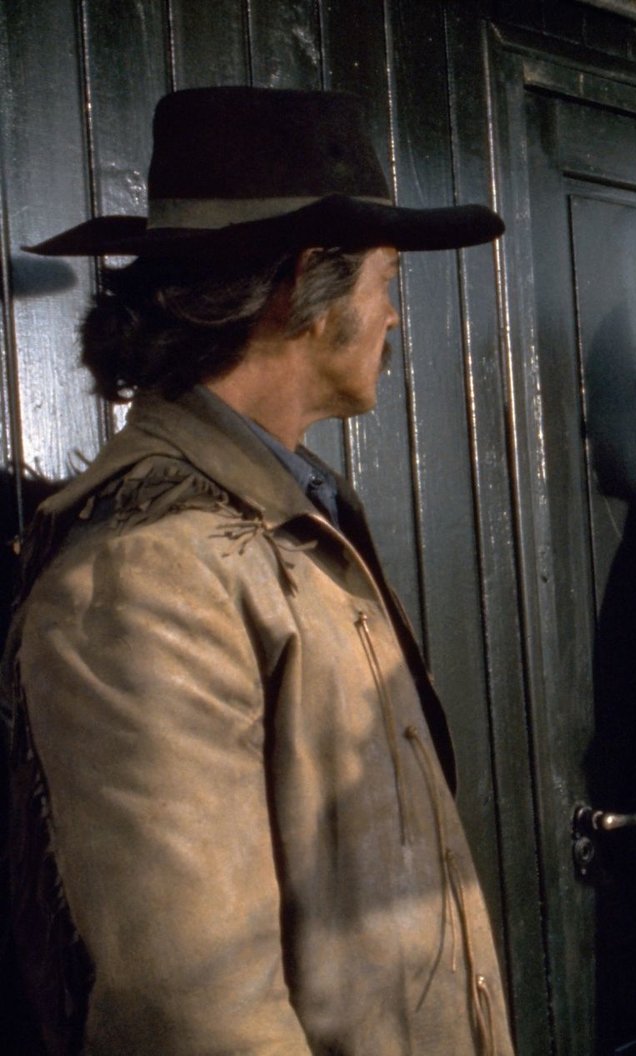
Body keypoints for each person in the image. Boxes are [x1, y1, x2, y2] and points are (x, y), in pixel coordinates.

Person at [3, 87, 511, 1055]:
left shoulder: (287, 506)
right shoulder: (150, 570)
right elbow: (197, 1010)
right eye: (387, 281)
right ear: (308, 286)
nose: (393, 318)